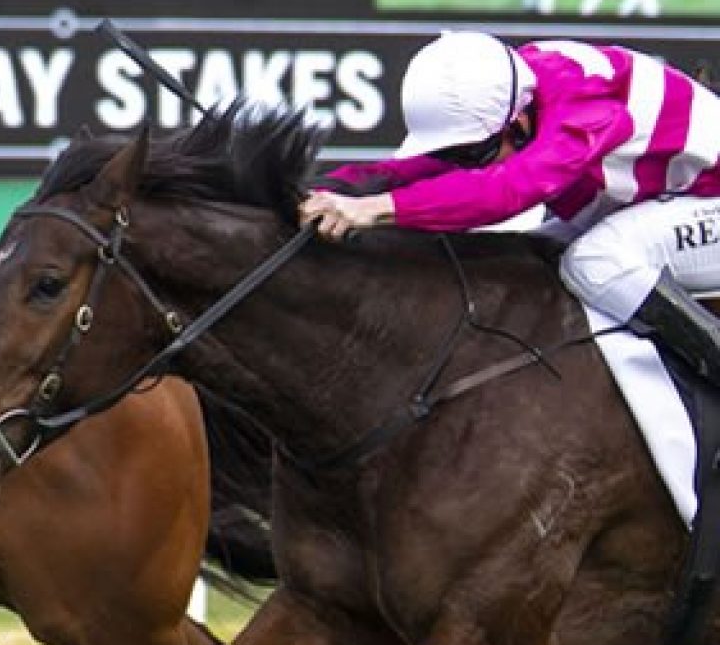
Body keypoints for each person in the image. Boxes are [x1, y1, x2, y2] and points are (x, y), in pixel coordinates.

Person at [299, 29, 720, 387]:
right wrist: (315, 194)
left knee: (595, 261)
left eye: (472, 155)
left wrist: (375, 209)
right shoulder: (511, 96)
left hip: (707, 199)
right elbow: (403, 170)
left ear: (517, 122)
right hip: (670, 200)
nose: (463, 166)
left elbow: (508, 190)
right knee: (525, 257)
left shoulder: (580, 107)